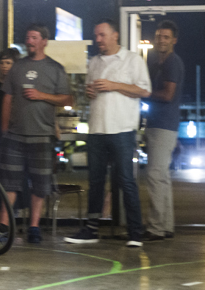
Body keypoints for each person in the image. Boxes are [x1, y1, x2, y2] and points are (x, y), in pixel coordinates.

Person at [65, 18, 151, 247]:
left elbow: (144, 90)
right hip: (96, 130)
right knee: (95, 181)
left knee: (126, 180)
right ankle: (91, 229)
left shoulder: (132, 59)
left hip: (122, 130)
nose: (98, 40)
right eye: (96, 35)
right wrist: (89, 92)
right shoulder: (94, 62)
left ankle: (135, 233)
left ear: (115, 35)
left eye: (102, 35)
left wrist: (114, 85)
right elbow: (90, 94)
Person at [0, 24, 72, 244]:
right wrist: (4, 129)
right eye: (28, 37)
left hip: (42, 135)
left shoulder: (55, 68)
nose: (29, 41)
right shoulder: (17, 67)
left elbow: (67, 99)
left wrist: (42, 95)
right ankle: (3, 227)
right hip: (15, 135)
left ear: (44, 41)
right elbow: (7, 98)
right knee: (9, 183)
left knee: (39, 184)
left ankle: (34, 227)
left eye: (34, 37)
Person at [143, 20, 184, 241]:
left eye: (166, 37)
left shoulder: (172, 63)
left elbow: (168, 95)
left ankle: (156, 228)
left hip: (163, 125)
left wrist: (144, 93)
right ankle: (166, 226)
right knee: (162, 177)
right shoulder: (157, 63)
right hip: (159, 124)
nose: (161, 40)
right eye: (158, 36)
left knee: (155, 175)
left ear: (174, 40)